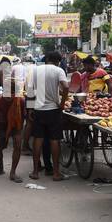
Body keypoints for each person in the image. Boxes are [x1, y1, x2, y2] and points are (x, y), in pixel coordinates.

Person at [30, 51, 69, 181]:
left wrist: (30, 108)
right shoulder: (59, 71)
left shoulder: (36, 70)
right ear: (58, 61)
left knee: (38, 139)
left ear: (46, 59)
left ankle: (35, 172)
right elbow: (66, 87)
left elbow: (30, 90)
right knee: (54, 140)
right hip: (53, 110)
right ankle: (56, 173)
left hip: (38, 109)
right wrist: (62, 103)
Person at [0, 57, 27, 183]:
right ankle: (0, 168)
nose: (9, 96)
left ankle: (13, 172)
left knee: (17, 144)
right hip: (1, 124)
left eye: (12, 93)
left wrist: (17, 132)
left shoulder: (20, 101)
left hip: (16, 124)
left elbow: (23, 118)